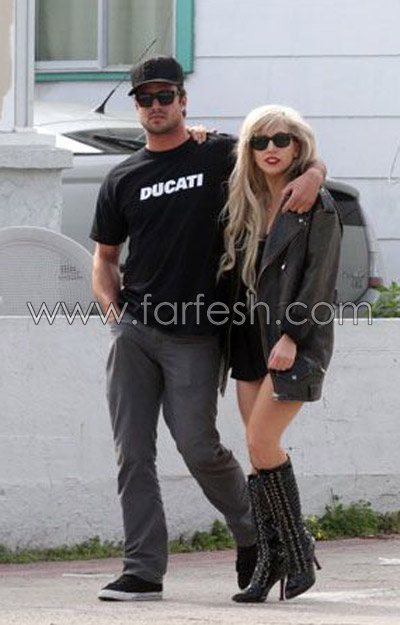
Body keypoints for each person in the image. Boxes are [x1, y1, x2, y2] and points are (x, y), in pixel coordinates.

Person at [90, 56, 326, 602]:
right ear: (137, 106)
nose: (156, 106)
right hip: (133, 331)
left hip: (198, 332)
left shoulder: (218, 153)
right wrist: (112, 309)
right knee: (132, 454)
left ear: (183, 100)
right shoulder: (122, 176)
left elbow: (290, 153)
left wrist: (314, 175)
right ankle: (142, 570)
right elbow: (105, 258)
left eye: (165, 96)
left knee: (199, 447)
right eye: (145, 98)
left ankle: (257, 536)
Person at [219, 104, 342, 603]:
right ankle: (271, 560)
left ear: (298, 146)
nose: (270, 149)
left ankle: (297, 547)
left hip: (291, 339)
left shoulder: (317, 204)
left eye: (281, 140)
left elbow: (319, 280)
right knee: (255, 452)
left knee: (263, 439)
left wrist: (292, 335)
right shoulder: (244, 201)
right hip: (247, 337)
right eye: (260, 141)